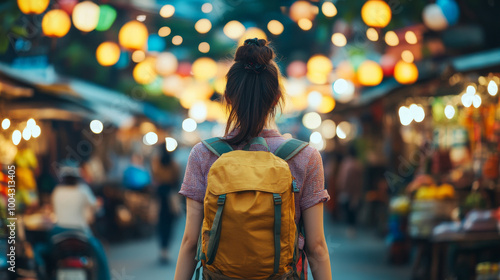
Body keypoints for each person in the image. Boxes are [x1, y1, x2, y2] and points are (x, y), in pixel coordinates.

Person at [175, 38, 332, 279]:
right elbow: (317, 247)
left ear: (227, 97)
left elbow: (189, 242)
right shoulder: (305, 156)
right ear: (278, 98)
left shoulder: (203, 154)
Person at [45, 163, 110, 280]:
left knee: (43, 251)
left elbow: (53, 211)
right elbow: (95, 206)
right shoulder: (83, 190)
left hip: (58, 233)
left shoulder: (57, 191)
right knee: (100, 256)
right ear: (77, 177)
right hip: (81, 233)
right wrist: (99, 203)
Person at [151, 144, 181, 264]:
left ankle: (162, 249)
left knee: (160, 224)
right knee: (170, 224)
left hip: (159, 196)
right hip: (170, 196)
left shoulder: (156, 162)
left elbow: (154, 176)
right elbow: (177, 179)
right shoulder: (174, 163)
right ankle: (166, 250)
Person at [336, 144, 364, 238]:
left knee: (348, 209)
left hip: (347, 190)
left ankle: (350, 228)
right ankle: (352, 228)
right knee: (353, 210)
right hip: (355, 191)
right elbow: (360, 180)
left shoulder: (346, 163)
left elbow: (342, 178)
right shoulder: (358, 164)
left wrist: (341, 187)